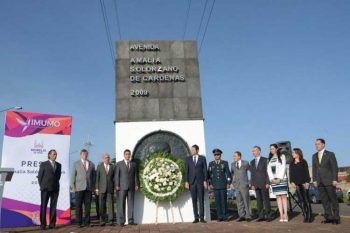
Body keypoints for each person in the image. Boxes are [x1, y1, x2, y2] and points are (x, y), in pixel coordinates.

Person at [312, 138, 340, 224]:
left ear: (323, 144)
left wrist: (335, 179)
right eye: (316, 144)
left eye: (318, 144)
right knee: (324, 201)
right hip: (319, 182)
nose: (317, 145)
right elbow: (314, 169)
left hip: (329, 181)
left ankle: (336, 218)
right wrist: (314, 180)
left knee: (333, 200)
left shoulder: (330, 154)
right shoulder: (314, 156)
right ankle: (329, 217)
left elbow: (334, 168)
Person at [70, 149, 96, 228]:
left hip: (88, 188)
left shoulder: (91, 164)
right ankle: (79, 222)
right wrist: (73, 186)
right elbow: (73, 176)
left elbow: (94, 177)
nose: (85, 155)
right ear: (80, 155)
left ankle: (87, 222)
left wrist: (93, 187)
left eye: (86, 154)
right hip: (79, 188)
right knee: (78, 206)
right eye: (83, 154)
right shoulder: (76, 164)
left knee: (88, 206)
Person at [37, 149, 61, 230]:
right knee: (43, 206)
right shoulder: (44, 164)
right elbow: (40, 176)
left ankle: (52, 224)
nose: (55, 156)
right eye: (53, 154)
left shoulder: (59, 165)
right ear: (49, 155)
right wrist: (42, 186)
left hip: (55, 188)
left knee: (53, 207)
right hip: (45, 189)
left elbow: (58, 177)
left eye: (56, 154)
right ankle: (43, 224)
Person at [114, 149, 139, 227]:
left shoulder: (133, 164)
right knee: (121, 204)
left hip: (131, 187)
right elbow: (116, 175)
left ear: (130, 155)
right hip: (121, 187)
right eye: (126, 154)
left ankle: (131, 220)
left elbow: (135, 175)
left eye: (129, 154)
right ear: (124, 155)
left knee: (131, 204)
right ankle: (122, 221)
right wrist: (117, 185)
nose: (128, 155)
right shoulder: (119, 164)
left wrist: (136, 184)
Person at [185, 144, 208, 223]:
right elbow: (186, 171)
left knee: (201, 199)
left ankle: (202, 217)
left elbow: (205, 170)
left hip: (200, 181)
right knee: (194, 200)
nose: (192, 151)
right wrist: (186, 181)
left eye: (193, 150)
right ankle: (196, 217)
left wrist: (205, 180)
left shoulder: (202, 158)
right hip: (191, 182)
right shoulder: (188, 159)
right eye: (191, 150)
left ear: (197, 150)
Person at [208, 149, 231, 222]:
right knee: (217, 202)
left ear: (220, 155)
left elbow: (228, 174)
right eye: (215, 155)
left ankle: (225, 216)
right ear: (214, 156)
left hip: (223, 184)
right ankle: (219, 216)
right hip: (215, 185)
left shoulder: (225, 163)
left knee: (224, 201)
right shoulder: (211, 164)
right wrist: (210, 183)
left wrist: (228, 183)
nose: (216, 156)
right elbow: (208, 175)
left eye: (218, 155)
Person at [250, 146, 272, 222]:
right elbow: (252, 174)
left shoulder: (265, 160)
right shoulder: (252, 162)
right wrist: (252, 184)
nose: (253, 152)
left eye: (255, 151)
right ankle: (261, 216)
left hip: (264, 183)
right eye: (252, 151)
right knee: (258, 201)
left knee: (266, 200)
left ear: (259, 151)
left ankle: (268, 216)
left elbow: (267, 172)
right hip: (256, 184)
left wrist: (268, 182)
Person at [289, 148, 312, 223]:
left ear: (298, 153)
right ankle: (305, 216)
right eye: (292, 153)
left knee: (306, 200)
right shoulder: (291, 163)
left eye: (293, 153)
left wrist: (307, 182)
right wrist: (292, 182)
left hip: (304, 183)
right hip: (296, 184)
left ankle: (309, 216)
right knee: (301, 201)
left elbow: (307, 172)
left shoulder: (303, 162)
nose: (292, 154)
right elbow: (291, 174)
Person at [267, 144, 288, 222]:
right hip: (273, 180)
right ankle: (281, 215)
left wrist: (279, 178)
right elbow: (268, 170)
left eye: (272, 148)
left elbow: (283, 167)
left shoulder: (282, 156)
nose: (271, 150)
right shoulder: (269, 158)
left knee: (283, 196)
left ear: (276, 149)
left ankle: (285, 214)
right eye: (270, 149)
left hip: (281, 179)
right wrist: (272, 179)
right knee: (278, 197)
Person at [231, 151, 252, 222]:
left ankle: (248, 215)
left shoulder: (245, 163)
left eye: (235, 156)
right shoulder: (232, 164)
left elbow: (251, 171)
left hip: (244, 184)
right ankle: (241, 215)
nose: (233, 157)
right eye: (233, 156)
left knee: (246, 200)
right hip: (237, 185)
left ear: (239, 156)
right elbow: (232, 174)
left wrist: (249, 182)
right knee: (239, 201)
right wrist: (233, 183)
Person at [96, 153, 115, 226]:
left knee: (111, 205)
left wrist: (114, 187)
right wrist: (97, 189)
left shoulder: (112, 166)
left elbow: (114, 178)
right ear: (103, 159)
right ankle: (102, 220)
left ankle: (111, 220)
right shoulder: (99, 166)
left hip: (110, 188)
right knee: (102, 205)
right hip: (101, 188)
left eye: (108, 158)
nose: (107, 159)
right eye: (105, 158)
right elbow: (97, 178)